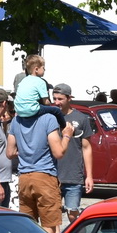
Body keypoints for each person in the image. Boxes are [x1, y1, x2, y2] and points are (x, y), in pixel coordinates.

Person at [13, 96, 72, 233]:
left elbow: (10, 152)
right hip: (45, 176)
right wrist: (67, 135)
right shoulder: (49, 119)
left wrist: (25, 149)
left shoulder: (17, 120)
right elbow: (58, 153)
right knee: (49, 225)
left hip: (24, 178)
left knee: (27, 225)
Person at [50, 84, 94, 220]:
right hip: (52, 175)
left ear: (69, 98)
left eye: (60, 99)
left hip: (73, 175)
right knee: (53, 217)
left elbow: (86, 148)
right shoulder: (50, 117)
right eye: (54, 98)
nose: (57, 102)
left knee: (73, 216)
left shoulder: (81, 119)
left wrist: (89, 175)